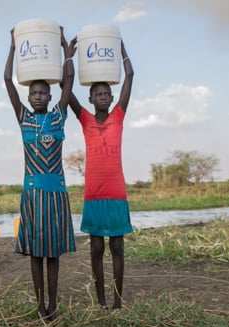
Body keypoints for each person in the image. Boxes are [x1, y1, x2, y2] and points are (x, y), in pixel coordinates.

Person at [4, 26, 76, 321]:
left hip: (57, 195)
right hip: (32, 195)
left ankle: (54, 303)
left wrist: (63, 48)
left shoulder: (59, 115)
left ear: (49, 95)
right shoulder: (24, 118)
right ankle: (40, 306)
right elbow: (7, 80)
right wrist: (12, 46)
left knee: (53, 255)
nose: (36, 96)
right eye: (32, 92)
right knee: (35, 253)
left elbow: (68, 79)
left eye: (41, 92)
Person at [67, 38, 134, 309]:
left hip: (116, 194)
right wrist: (67, 56)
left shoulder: (119, 115)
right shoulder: (85, 119)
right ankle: (102, 301)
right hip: (94, 195)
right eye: (99, 94)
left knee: (117, 247)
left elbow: (130, 75)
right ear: (91, 98)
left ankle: (118, 302)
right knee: (96, 248)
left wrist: (121, 50)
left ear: (112, 97)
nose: (104, 97)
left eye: (107, 93)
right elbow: (65, 90)